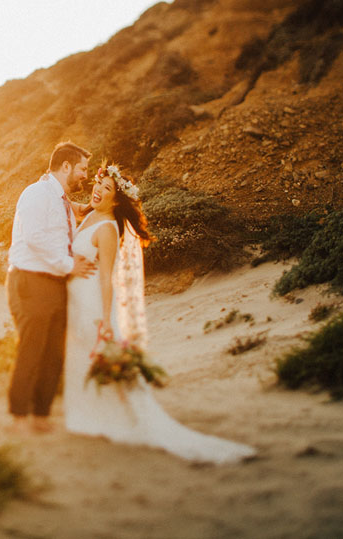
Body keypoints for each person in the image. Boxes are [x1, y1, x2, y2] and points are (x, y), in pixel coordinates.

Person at [64, 164, 255, 463]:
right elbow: (67, 212)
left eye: (106, 189)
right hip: (75, 300)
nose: (98, 190)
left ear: (118, 200)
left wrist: (105, 318)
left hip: (92, 302)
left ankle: (128, 419)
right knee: (79, 357)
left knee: (97, 353)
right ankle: (91, 414)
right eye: (98, 184)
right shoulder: (89, 215)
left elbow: (106, 277)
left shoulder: (107, 228)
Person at [6, 141, 96, 434]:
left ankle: (40, 415)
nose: (85, 174)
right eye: (82, 168)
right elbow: (34, 237)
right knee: (33, 348)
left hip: (55, 282)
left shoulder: (61, 199)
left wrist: (90, 208)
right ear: (66, 166)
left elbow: (67, 222)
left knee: (54, 352)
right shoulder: (36, 193)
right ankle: (19, 415)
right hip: (31, 279)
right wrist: (69, 265)